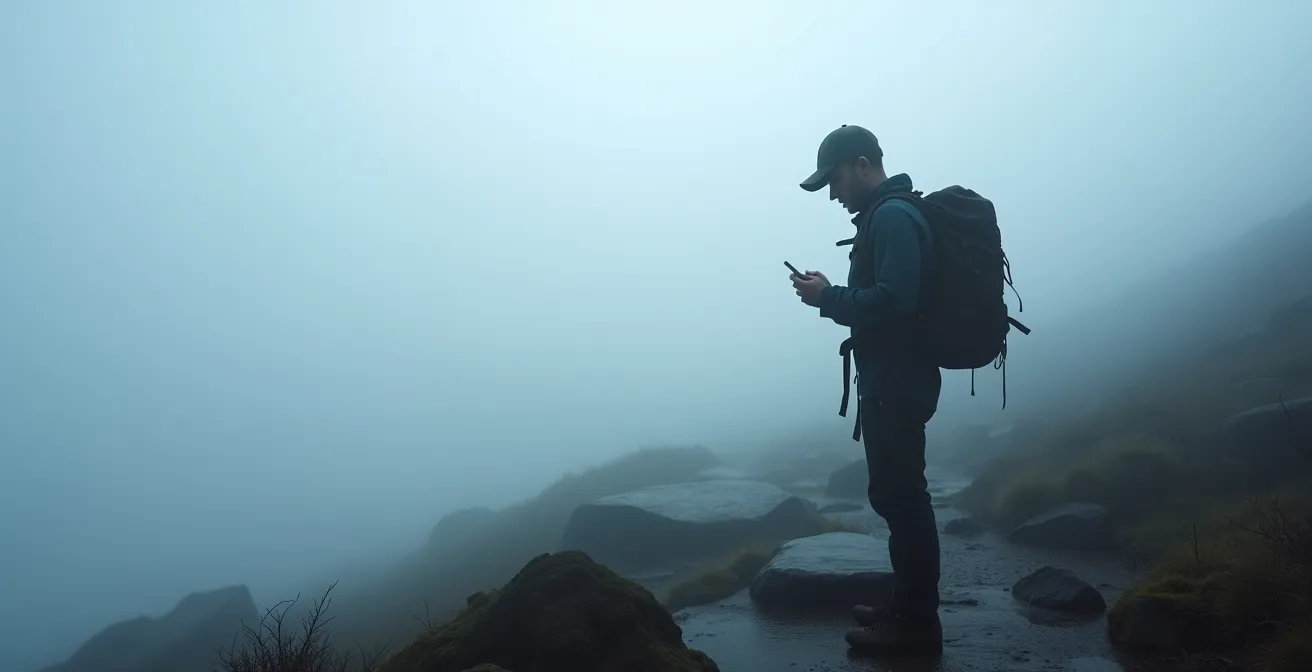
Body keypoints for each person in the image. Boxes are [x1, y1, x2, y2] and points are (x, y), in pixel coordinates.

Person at [791, 124, 944, 655]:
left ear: (861, 163)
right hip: (894, 379)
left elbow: (895, 301)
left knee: (903, 500)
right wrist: (833, 292)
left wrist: (828, 297)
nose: (833, 195)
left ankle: (917, 626)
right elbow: (888, 296)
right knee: (897, 498)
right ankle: (906, 606)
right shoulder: (887, 216)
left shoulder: (894, 216)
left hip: (898, 381)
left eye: (833, 181)